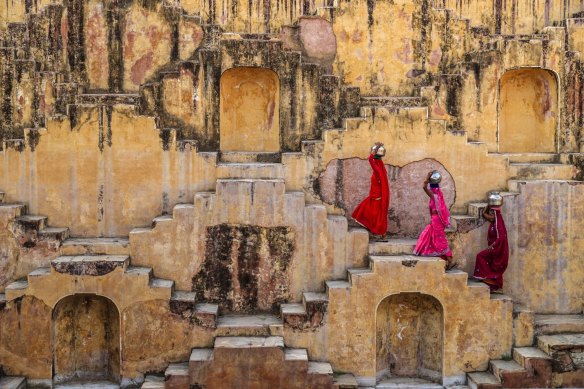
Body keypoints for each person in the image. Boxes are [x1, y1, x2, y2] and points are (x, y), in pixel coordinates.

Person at [413, 171, 456, 270]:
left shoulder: (435, 196)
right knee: (430, 236)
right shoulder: (437, 197)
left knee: (440, 240)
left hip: (437, 221)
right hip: (435, 220)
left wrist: (427, 179)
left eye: (432, 189)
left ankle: (449, 259)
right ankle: (447, 259)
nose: (431, 191)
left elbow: (424, 188)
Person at [351, 142, 390, 240]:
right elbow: (373, 161)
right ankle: (380, 233)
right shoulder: (380, 167)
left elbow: (370, 159)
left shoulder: (378, 169)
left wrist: (375, 150)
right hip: (376, 195)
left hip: (377, 196)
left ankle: (380, 233)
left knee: (374, 214)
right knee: (375, 214)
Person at [472, 194, 509, 292]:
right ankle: (493, 283)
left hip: (496, 249)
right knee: (490, 264)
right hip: (493, 249)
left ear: (495, 215)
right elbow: (484, 214)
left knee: (480, 256)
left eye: (492, 214)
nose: (490, 215)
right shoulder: (493, 221)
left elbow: (501, 237)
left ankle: (489, 279)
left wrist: (494, 246)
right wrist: (489, 204)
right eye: (491, 214)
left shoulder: (498, 223)